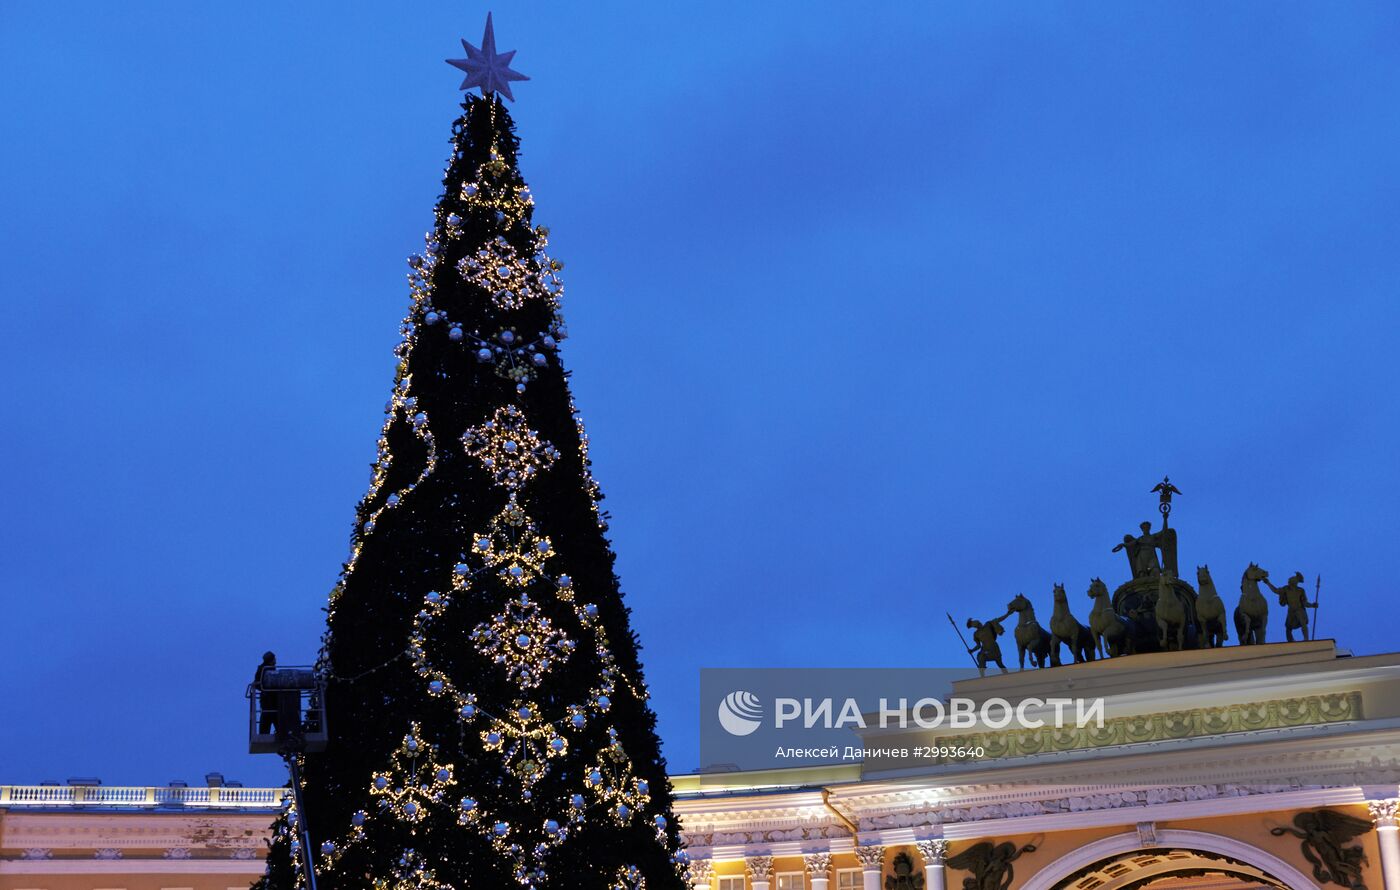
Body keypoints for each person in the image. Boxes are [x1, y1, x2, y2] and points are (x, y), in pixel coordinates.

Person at [255, 652, 278, 736]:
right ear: (271, 660)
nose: (276, 660)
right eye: (274, 658)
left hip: (271, 698)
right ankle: (266, 733)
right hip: (268, 698)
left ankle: (265, 733)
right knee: (269, 715)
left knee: (270, 715)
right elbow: (257, 683)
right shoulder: (264, 669)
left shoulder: (265, 669)